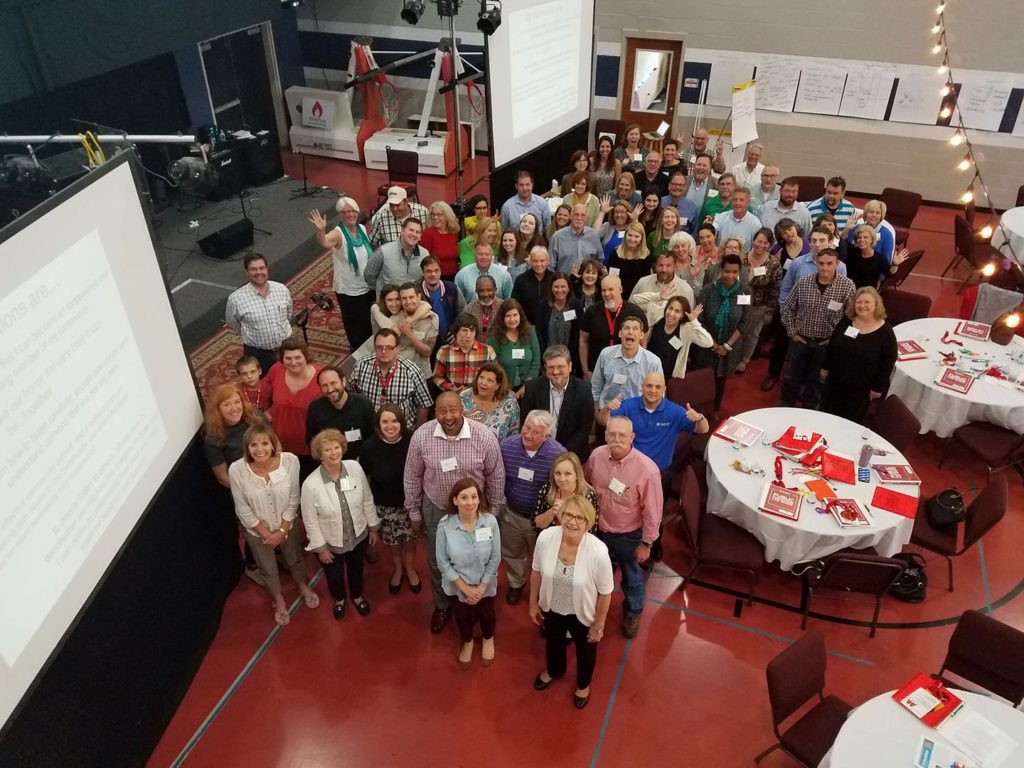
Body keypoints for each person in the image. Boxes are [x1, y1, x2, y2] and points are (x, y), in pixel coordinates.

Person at [405, 391, 505, 634]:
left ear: (462, 409)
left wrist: (492, 511)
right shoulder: (421, 436)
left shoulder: (484, 436)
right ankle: (442, 605)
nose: (448, 416)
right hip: (437, 510)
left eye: (453, 410)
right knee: (438, 562)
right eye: (442, 411)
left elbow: (496, 474)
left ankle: (478, 602)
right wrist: (414, 512)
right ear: (435, 413)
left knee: (479, 557)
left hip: (476, 512)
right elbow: (412, 475)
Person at [229, 424, 317, 626]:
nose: (260, 449)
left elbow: (294, 498)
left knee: (294, 558)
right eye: (254, 445)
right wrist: (266, 534)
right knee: (267, 567)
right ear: (247, 448)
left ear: (273, 444)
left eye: (264, 443)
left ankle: (302, 585)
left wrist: (282, 530)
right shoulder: (237, 470)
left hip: (287, 524)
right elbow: (242, 508)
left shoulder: (290, 461)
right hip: (257, 531)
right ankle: (278, 599)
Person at [529, 494, 613, 709]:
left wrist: (598, 625)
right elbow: (536, 571)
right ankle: (555, 670)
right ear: (560, 515)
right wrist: (533, 603)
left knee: (586, 650)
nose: (572, 522)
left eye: (579, 518)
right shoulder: (546, 537)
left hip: (582, 613)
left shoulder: (598, 551)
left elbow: (606, 592)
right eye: (567, 515)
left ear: (588, 522)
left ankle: (583, 684)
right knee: (553, 642)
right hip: (553, 606)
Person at [585, 415, 663, 638]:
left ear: (632, 437)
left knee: (632, 577)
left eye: (622, 435)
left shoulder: (647, 470)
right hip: (598, 530)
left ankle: (633, 611)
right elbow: (589, 487)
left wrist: (646, 544)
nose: (616, 440)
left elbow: (653, 512)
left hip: (628, 536)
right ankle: (595, 606)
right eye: (611, 434)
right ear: (605, 435)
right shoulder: (597, 456)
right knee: (596, 572)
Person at [301, 429, 379, 620]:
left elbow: (367, 498)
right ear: (320, 454)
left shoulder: (354, 467)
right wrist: (321, 549)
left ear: (342, 449)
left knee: (356, 568)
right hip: (331, 543)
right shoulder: (310, 485)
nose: (333, 452)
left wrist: (373, 527)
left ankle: (356, 595)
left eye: (336, 447)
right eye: (327, 449)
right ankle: (339, 599)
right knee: (334, 576)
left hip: (358, 535)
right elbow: (310, 520)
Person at [498, 411, 565, 604]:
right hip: (512, 514)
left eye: (536, 432)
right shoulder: (506, 447)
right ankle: (516, 584)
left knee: (543, 557)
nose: (528, 435)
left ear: (547, 436)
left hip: (542, 520)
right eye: (526, 428)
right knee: (512, 553)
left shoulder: (557, 454)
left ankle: (542, 588)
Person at [203, 384, 266, 584]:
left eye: (237, 402)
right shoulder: (214, 438)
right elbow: (222, 477)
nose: (234, 408)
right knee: (254, 529)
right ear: (217, 409)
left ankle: (274, 553)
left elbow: (273, 444)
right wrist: (251, 489)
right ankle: (253, 566)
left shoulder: (254, 418)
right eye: (227, 404)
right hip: (244, 492)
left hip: (269, 481)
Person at [436, 477, 501, 669]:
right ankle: (468, 641)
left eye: (474, 497)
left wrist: (481, 588)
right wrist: (465, 589)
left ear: (480, 499)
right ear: (455, 500)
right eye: (464, 497)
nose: (470, 502)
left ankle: (488, 639)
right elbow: (442, 562)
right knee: (462, 616)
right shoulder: (444, 525)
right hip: (457, 587)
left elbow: (495, 558)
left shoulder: (490, 522)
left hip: (485, 585)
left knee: (487, 614)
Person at [780, 247, 856, 410]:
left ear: (837, 264)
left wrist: (835, 340)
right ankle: (787, 406)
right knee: (792, 376)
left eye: (829, 263)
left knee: (817, 380)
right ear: (816, 264)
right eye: (821, 263)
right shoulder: (803, 282)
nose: (825, 267)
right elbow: (787, 309)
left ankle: (810, 410)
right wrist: (792, 333)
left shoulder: (847, 286)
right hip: (801, 340)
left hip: (826, 344)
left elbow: (851, 318)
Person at [359, 404, 421, 595]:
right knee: (393, 542)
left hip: (410, 505)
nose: (390, 426)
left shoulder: (414, 441)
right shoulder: (369, 447)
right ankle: (398, 568)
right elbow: (366, 478)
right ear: (378, 424)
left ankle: (410, 567)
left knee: (411, 539)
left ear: (401, 422)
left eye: (394, 420)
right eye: (385, 421)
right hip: (384, 506)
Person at [821, 287, 898, 424]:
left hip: (860, 388)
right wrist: (825, 367)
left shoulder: (885, 331)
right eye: (858, 302)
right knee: (827, 414)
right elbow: (833, 345)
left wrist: (877, 387)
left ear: (876, 304)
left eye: (867, 302)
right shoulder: (846, 321)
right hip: (835, 381)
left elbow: (889, 360)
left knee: (850, 421)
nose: (862, 306)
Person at [609, 372, 709, 473]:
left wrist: (700, 418)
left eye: (658, 387)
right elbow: (605, 421)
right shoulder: (628, 406)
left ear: (664, 390)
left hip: (659, 471)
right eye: (649, 386)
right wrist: (607, 409)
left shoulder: (675, 412)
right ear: (642, 387)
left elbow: (703, 430)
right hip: (629, 467)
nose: (653, 390)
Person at [309, 197, 374, 350]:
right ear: (341, 214)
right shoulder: (338, 234)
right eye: (346, 212)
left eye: (353, 211)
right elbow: (324, 242)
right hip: (349, 290)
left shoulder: (362, 229)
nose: (350, 215)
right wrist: (320, 230)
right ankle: (357, 349)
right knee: (355, 323)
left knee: (367, 319)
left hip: (366, 285)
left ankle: (370, 345)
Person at [697, 254, 750, 420]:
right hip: (706, 343)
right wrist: (713, 344)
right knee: (703, 377)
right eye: (727, 271)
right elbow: (700, 319)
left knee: (720, 380)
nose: (730, 276)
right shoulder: (708, 290)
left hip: (729, 346)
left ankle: (715, 408)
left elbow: (744, 321)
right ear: (721, 270)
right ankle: (699, 407)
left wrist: (726, 346)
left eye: (734, 272)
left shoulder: (745, 291)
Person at [520, 345, 595, 460]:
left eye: (560, 366)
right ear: (545, 367)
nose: (555, 372)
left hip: (572, 454)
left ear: (570, 366)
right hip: (538, 452)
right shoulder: (532, 388)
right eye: (551, 367)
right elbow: (526, 422)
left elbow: (584, 428)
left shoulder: (584, 389)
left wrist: (561, 454)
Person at [349, 328, 433, 429]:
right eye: (380, 347)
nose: (384, 351)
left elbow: (423, 405)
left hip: (401, 431)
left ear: (397, 348)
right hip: (370, 428)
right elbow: (353, 395)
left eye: (389, 347)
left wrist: (417, 433)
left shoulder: (412, 372)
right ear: (374, 348)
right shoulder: (361, 366)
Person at [224, 253, 293, 374]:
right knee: (263, 386)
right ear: (247, 272)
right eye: (253, 269)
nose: (259, 272)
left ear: (267, 269)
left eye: (262, 268)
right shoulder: (236, 299)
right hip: (258, 354)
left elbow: (289, 314)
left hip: (286, 349)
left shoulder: (282, 289)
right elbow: (232, 322)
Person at [263, 338, 321, 475]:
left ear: (306, 356)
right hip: (280, 445)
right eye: (288, 358)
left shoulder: (320, 378)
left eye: (297, 357)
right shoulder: (276, 370)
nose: (293, 362)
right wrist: (268, 409)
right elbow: (264, 390)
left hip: (309, 448)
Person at [593, 316, 664, 425]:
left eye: (635, 328)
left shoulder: (653, 362)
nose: (630, 332)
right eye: (626, 328)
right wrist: (598, 414)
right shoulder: (605, 354)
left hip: (638, 421)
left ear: (641, 335)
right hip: (607, 418)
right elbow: (596, 387)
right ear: (620, 333)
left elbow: (659, 394)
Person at [578, 274, 648, 380]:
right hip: (597, 372)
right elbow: (583, 341)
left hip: (626, 373)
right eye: (603, 290)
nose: (607, 294)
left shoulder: (635, 312)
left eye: (611, 290)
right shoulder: (592, 311)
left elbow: (643, 343)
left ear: (620, 289)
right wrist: (586, 370)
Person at [735, 228, 782, 374]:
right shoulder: (742, 257)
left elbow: (775, 289)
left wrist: (769, 311)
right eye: (759, 241)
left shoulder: (773, 264)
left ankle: (744, 359)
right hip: (738, 303)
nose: (761, 245)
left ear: (770, 245)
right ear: (754, 240)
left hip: (758, 306)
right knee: (736, 331)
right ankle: (733, 356)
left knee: (751, 334)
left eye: (765, 243)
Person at [304, 366, 376, 461]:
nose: (330, 389)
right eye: (324, 386)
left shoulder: (363, 404)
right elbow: (312, 441)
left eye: (333, 383)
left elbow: (373, 438)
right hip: (329, 464)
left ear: (343, 381)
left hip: (360, 462)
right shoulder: (315, 408)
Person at [645, 295, 712, 378]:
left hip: (667, 377)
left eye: (677, 311)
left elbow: (708, 342)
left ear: (682, 315)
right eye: (670, 308)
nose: (671, 313)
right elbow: (635, 300)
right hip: (646, 370)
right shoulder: (658, 316)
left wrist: (694, 321)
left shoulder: (686, 329)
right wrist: (658, 295)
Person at [532, 451, 602, 530]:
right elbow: (535, 524)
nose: (562, 479)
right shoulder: (547, 489)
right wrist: (551, 512)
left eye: (567, 473)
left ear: (577, 475)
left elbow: (590, 530)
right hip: (549, 540)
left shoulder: (588, 495)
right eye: (558, 473)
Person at [433, 312, 497, 392]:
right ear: (456, 331)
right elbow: (437, 377)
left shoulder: (488, 351)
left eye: (472, 331)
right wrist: (449, 387)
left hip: (479, 397)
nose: (468, 335)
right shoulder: (443, 352)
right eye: (464, 330)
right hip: (454, 398)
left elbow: (496, 376)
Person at [488, 299, 541, 396]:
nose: (512, 319)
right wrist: (504, 386)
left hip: (528, 388)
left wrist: (527, 386)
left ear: (520, 315)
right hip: (502, 390)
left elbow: (536, 360)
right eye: (508, 316)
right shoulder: (494, 337)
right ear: (502, 318)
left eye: (515, 315)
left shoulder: (530, 332)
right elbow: (491, 364)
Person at [630, 251, 696, 326]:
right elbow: (630, 307)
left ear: (674, 266)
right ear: (655, 266)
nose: (664, 270)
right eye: (660, 265)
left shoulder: (685, 289)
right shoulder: (643, 282)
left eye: (668, 266)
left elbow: (689, 319)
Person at [363, 217, 428, 293]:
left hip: (411, 302)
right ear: (402, 230)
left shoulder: (425, 254)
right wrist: (382, 290)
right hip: (388, 303)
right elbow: (369, 276)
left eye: (417, 232)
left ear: (420, 236)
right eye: (411, 230)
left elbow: (424, 280)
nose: (414, 234)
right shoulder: (383, 252)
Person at [460, 361, 520, 440]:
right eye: (481, 377)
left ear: (498, 385)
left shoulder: (510, 402)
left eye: (489, 380)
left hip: (499, 450)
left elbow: (513, 435)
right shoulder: (464, 397)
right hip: (467, 449)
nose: (483, 383)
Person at [419, 255, 460, 363]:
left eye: (436, 270)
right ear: (422, 272)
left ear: (441, 271)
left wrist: (457, 330)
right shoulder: (417, 292)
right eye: (428, 271)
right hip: (427, 347)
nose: (433, 274)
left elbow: (462, 311)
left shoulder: (452, 288)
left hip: (451, 342)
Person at [536, 272, 584, 368]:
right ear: (551, 288)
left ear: (568, 288)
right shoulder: (543, 306)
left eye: (563, 286)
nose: (560, 290)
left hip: (570, 360)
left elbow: (578, 335)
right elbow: (540, 334)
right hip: (547, 359)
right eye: (556, 287)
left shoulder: (576, 306)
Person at [393, 282, 439, 377]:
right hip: (399, 374)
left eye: (411, 297)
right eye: (404, 298)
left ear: (418, 297)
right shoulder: (395, 318)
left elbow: (428, 352)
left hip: (422, 374)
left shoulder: (432, 318)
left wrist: (409, 334)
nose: (408, 301)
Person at [844, 225, 910, 288]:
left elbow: (890, 274)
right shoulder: (851, 252)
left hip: (867, 293)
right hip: (849, 291)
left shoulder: (879, 258)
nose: (862, 240)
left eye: (865, 237)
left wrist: (895, 265)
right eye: (859, 237)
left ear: (872, 240)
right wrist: (847, 229)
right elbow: (840, 242)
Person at [549, 203, 604, 275]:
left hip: (587, 282)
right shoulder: (557, 237)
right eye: (576, 214)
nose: (579, 218)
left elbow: (600, 261)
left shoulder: (594, 235)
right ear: (571, 216)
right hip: (565, 283)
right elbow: (550, 267)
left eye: (583, 215)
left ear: (587, 218)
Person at [842, 199, 897, 263]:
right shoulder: (855, 229)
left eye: (877, 213)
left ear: (881, 216)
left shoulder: (886, 235)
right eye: (871, 212)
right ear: (865, 214)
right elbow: (843, 250)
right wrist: (846, 229)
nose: (874, 215)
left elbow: (886, 261)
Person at [607, 221, 653, 299]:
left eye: (636, 236)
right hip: (618, 296)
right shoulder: (615, 253)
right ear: (625, 236)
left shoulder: (646, 257)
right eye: (630, 235)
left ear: (642, 238)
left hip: (637, 297)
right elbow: (612, 278)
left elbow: (645, 283)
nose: (632, 239)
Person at [511, 245, 554, 324]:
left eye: (542, 261)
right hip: (526, 326)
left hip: (550, 326)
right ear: (530, 261)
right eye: (535, 261)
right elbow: (515, 305)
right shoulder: (521, 280)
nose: (538, 264)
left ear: (548, 261)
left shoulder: (554, 279)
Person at [419, 200, 461, 280]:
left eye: (439, 215)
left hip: (454, 275)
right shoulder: (428, 233)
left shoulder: (453, 232)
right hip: (436, 277)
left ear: (447, 216)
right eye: (433, 214)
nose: (435, 217)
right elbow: (423, 259)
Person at [712, 186, 761, 251]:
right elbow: (711, 233)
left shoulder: (755, 224)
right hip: (721, 258)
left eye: (741, 200)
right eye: (735, 199)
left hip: (743, 259)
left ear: (748, 203)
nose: (738, 203)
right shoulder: (721, 217)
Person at [660, 171, 700, 237]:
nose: (677, 187)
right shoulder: (660, 203)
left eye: (681, 185)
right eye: (674, 184)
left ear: (685, 188)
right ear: (669, 186)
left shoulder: (691, 208)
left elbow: (694, 234)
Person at [463, 274, 502, 341]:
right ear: (476, 292)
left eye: (489, 290)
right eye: (481, 291)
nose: (485, 294)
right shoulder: (468, 310)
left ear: (495, 290)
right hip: (475, 349)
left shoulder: (504, 307)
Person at [595, 199, 633, 263]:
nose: (619, 215)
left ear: (628, 214)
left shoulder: (632, 228)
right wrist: (602, 212)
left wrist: (635, 219)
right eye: (616, 212)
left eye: (622, 212)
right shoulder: (607, 226)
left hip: (625, 268)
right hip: (604, 268)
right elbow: (594, 234)